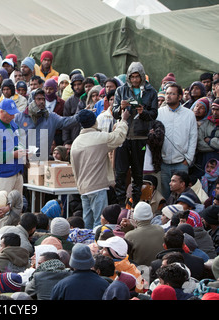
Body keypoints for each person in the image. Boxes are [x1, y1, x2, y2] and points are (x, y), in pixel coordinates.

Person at [70, 107, 129, 229]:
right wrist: (123, 121)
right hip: (97, 187)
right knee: (99, 222)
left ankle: (88, 245)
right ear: (95, 122)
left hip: (83, 188)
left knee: (88, 221)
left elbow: (74, 168)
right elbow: (118, 137)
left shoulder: (76, 142)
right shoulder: (99, 138)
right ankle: (97, 245)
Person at [112, 62, 158, 208]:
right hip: (123, 136)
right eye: (132, 77)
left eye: (138, 77)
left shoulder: (151, 92)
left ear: (142, 76)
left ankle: (136, 204)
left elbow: (154, 114)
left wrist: (142, 112)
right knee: (120, 172)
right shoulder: (121, 90)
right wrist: (121, 108)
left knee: (138, 173)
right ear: (128, 77)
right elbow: (113, 112)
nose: (135, 80)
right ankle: (120, 204)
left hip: (140, 137)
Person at [156, 83, 198, 199]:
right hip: (164, 163)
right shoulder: (159, 113)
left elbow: (193, 138)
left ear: (180, 97)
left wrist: (187, 159)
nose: (168, 96)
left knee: (181, 195)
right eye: (167, 93)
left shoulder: (189, 114)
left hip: (181, 163)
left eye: (172, 94)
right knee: (165, 194)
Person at [0, 98, 25, 197]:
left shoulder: (13, 124)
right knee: (1, 206)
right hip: (3, 175)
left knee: (17, 206)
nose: (13, 116)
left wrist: (22, 149)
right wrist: (12, 155)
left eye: (13, 113)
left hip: (17, 172)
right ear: (1, 112)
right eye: (10, 114)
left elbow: (18, 141)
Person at [123, 201, 165, 267]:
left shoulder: (130, 236)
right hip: (159, 268)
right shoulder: (160, 229)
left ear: (135, 217)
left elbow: (127, 259)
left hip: (140, 272)